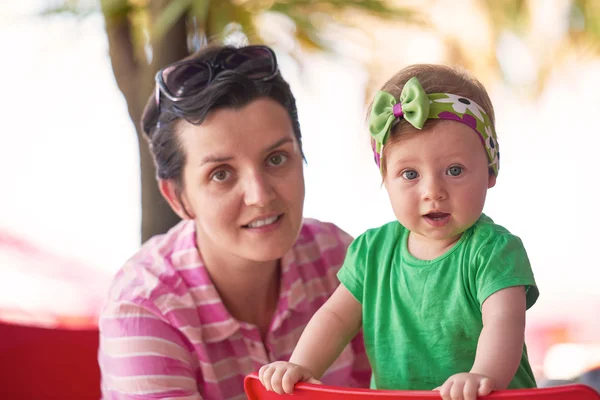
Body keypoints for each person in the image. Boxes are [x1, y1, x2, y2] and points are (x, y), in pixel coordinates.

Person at [97, 44, 371, 400]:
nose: (260, 195)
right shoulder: (144, 308)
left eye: (276, 159)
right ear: (177, 198)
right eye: (221, 174)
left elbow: (390, 383)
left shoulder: (340, 257)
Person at [259, 64, 539, 400]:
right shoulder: (373, 251)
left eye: (454, 170)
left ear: (490, 171)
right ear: (386, 179)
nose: (433, 191)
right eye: (409, 174)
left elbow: (503, 323)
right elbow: (334, 317)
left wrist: (482, 375)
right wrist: (302, 365)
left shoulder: (493, 251)